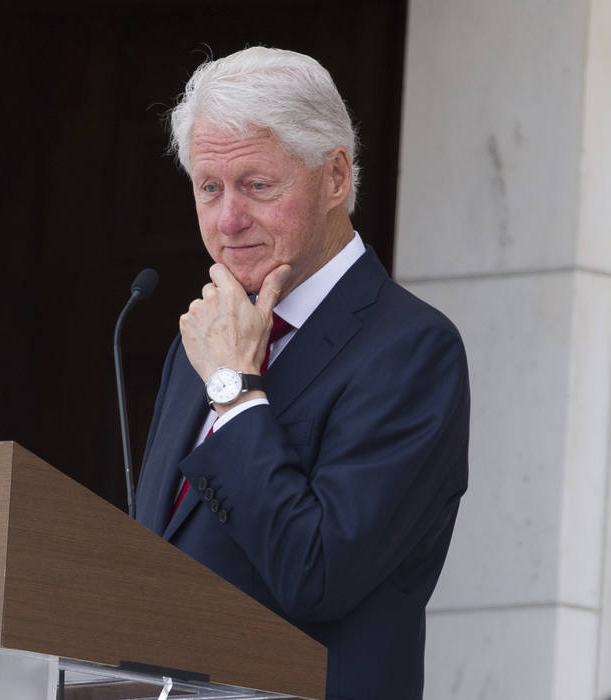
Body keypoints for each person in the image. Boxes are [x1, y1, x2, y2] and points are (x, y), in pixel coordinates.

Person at [134, 47, 469, 700]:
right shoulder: (200, 343)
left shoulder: (411, 350)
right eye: (209, 188)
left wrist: (234, 392)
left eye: (257, 185)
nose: (227, 219)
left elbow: (314, 572)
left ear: (336, 177)